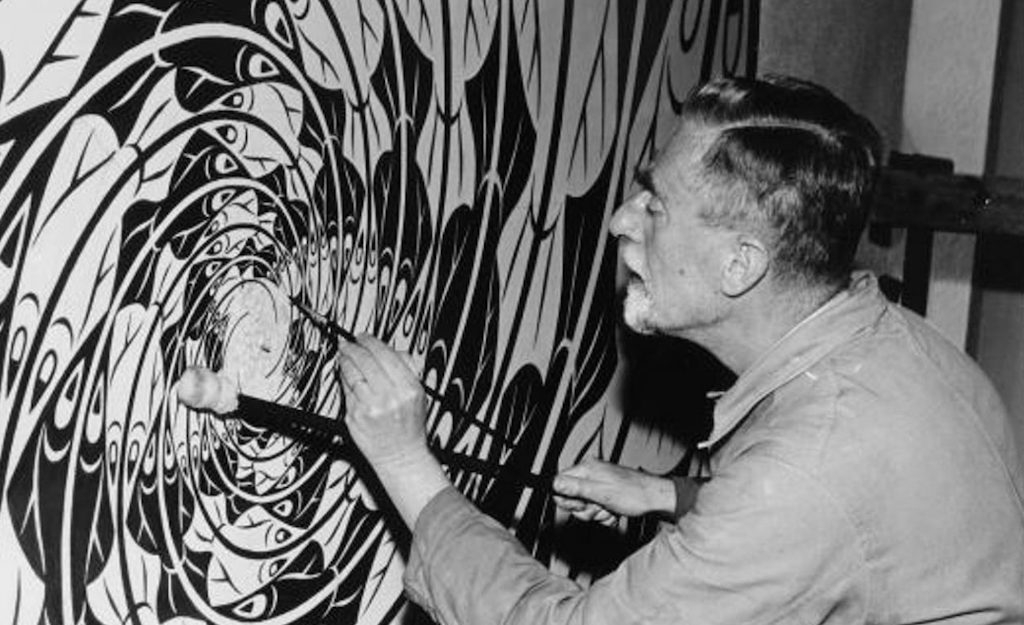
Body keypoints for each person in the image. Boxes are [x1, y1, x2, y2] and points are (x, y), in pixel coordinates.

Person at [183, 75, 1024, 623]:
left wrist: (406, 463)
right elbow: (849, 525)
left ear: (740, 265)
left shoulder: (803, 474)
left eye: (655, 204)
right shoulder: (904, 350)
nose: (621, 219)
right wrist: (674, 497)